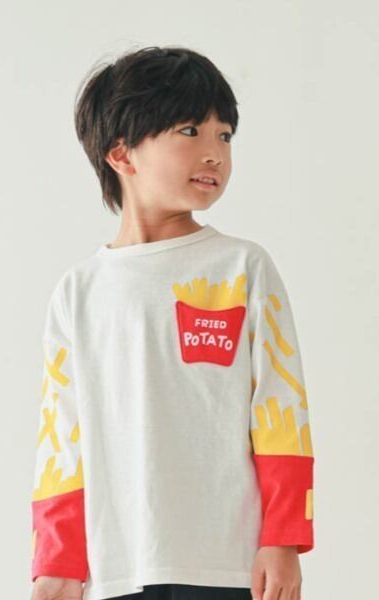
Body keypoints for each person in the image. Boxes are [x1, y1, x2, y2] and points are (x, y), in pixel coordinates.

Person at [30, 46, 315, 600]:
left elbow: (281, 409)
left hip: (228, 566)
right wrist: (56, 562)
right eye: (190, 131)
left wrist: (283, 538)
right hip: (118, 567)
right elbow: (62, 437)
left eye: (225, 136)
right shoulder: (79, 292)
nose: (215, 154)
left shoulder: (242, 267)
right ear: (121, 153)